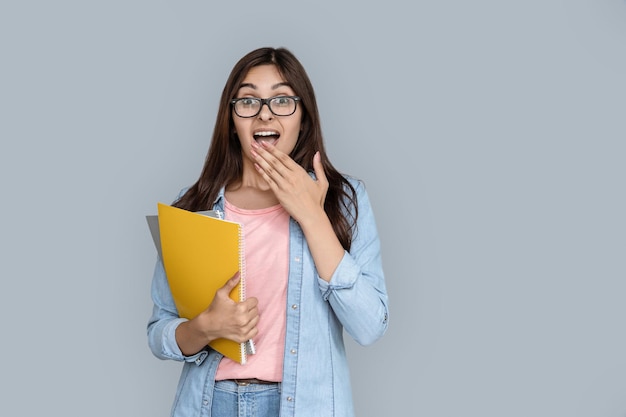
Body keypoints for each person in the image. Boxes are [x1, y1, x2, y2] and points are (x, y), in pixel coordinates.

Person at [147, 46, 389, 417]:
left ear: (303, 118)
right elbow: (160, 331)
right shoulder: (194, 203)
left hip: (302, 406)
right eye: (248, 101)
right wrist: (205, 328)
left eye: (282, 100)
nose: (264, 113)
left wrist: (312, 216)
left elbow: (370, 326)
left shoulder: (343, 199)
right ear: (231, 119)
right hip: (210, 404)